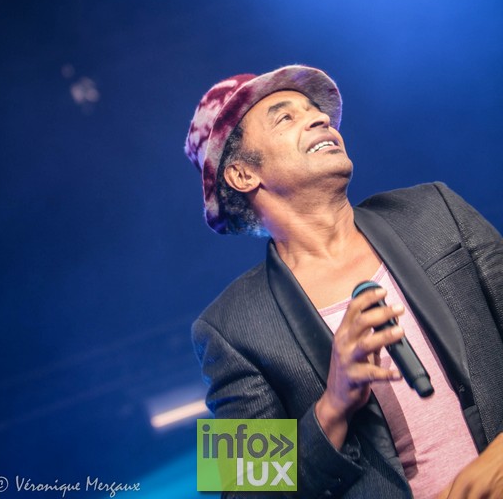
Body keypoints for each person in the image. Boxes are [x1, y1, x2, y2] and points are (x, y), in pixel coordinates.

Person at [185, 64, 503, 498]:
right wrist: (333, 406)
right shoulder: (227, 327)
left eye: (314, 110)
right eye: (285, 117)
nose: (319, 118)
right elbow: (241, 491)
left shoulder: (433, 210)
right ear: (243, 174)